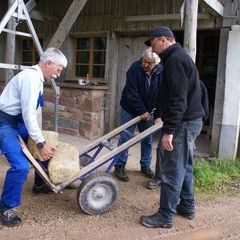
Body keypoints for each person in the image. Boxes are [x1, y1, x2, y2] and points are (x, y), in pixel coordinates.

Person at [140, 26, 204, 228]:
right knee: (184, 167)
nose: (152, 48)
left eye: (153, 43)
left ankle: (165, 216)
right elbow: (173, 95)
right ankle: (187, 207)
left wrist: (169, 130)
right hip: (189, 122)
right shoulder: (177, 58)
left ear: (163, 40)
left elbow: (178, 100)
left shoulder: (175, 60)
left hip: (183, 124)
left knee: (170, 170)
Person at [0, 47, 67, 227]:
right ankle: (6, 207)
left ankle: (39, 185)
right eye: (58, 69)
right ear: (48, 64)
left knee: (45, 148)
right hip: (5, 123)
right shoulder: (30, 79)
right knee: (20, 166)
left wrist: (42, 139)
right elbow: (29, 114)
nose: (58, 74)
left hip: (20, 122)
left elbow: (34, 113)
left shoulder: (38, 79)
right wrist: (40, 141)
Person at [113, 48, 163, 182]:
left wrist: (155, 112)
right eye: (144, 62)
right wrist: (142, 112)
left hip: (148, 110)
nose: (146, 65)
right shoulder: (134, 69)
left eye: (150, 63)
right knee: (126, 137)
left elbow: (161, 94)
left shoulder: (160, 71)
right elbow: (132, 93)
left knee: (147, 138)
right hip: (130, 108)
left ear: (155, 63)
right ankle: (119, 165)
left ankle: (145, 166)